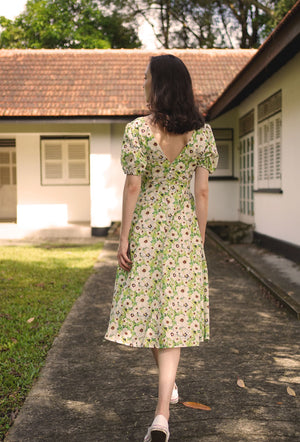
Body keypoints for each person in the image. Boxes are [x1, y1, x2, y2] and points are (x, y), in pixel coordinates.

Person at [105, 54, 219, 442]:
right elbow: (201, 190)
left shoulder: (138, 130)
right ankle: (167, 391)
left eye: (147, 77)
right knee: (169, 311)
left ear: (160, 84)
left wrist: (124, 236)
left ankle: (161, 413)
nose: (143, 83)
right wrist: (200, 235)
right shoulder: (201, 133)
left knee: (150, 307)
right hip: (183, 226)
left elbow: (133, 187)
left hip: (147, 226)